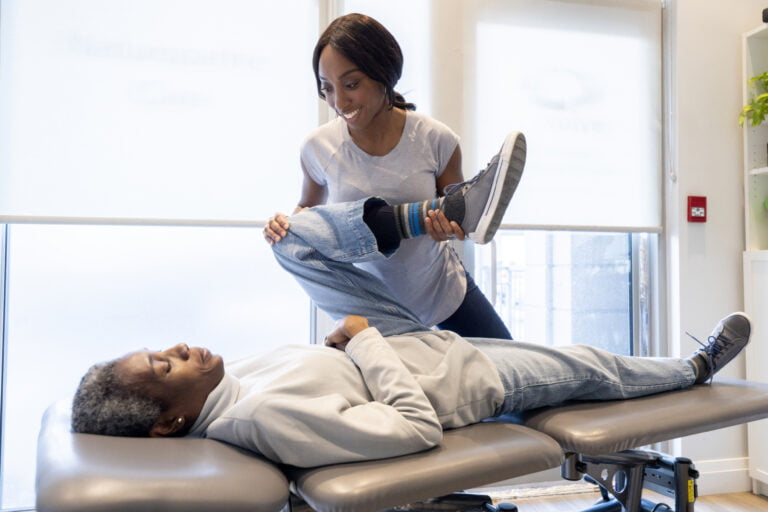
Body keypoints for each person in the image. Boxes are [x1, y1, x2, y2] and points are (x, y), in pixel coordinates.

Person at [71, 155, 752, 468]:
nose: (184, 347)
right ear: (169, 423)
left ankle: (440, 213)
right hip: (453, 377)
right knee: (588, 363)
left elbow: (330, 379)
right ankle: (691, 368)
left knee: (292, 236)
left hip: (389, 345)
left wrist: (348, 344)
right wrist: (364, 345)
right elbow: (415, 429)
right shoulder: (258, 418)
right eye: (167, 363)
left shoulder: (225, 386)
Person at [263, 13, 520, 339]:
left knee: (506, 370)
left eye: (351, 84)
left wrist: (451, 227)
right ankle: (438, 211)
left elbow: (463, 232)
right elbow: (308, 211)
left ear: (383, 74)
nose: (339, 102)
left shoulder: (436, 139)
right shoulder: (318, 147)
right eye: (327, 88)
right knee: (299, 233)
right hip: (373, 309)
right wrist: (286, 224)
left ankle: (457, 207)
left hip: (441, 290)